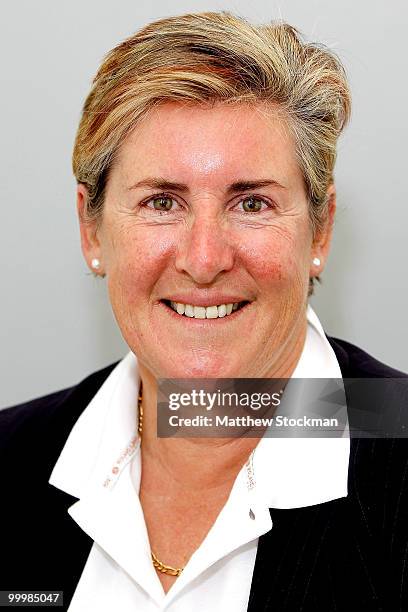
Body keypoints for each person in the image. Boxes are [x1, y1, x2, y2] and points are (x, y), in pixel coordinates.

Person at [1, 11, 407, 612]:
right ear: (91, 229)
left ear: (320, 230)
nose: (205, 258)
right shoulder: (11, 459)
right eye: (162, 201)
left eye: (252, 203)